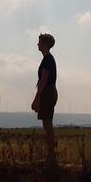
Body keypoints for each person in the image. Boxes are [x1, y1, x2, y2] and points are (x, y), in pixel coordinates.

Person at [31, 33, 57, 164]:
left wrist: (37, 98)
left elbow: (43, 81)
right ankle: (50, 155)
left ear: (45, 44)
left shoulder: (47, 60)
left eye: (39, 42)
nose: (37, 44)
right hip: (48, 91)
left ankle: (51, 156)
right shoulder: (48, 59)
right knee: (47, 124)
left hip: (47, 92)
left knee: (47, 124)